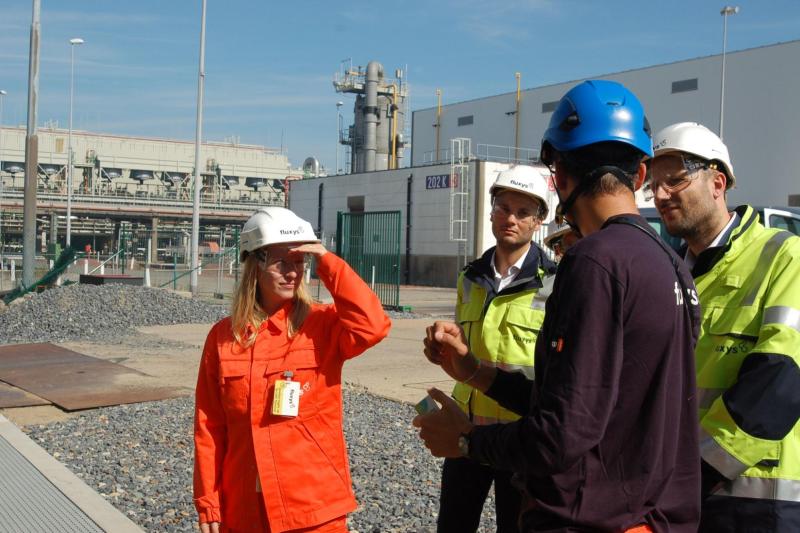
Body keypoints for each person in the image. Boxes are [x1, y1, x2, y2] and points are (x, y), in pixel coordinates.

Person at [414, 80, 702, 532]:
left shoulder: (595, 260)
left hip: (589, 518)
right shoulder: (673, 266)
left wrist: (467, 441)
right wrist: (476, 371)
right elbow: (587, 403)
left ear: (559, 177)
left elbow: (562, 434)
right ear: (641, 175)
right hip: (654, 515)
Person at [193, 206, 391, 533]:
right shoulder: (223, 338)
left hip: (312, 507)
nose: (292, 273)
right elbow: (209, 424)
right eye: (281, 262)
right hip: (244, 507)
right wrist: (208, 499)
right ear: (254, 264)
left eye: (299, 262)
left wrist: (326, 260)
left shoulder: (321, 326)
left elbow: (373, 325)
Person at [650, 122, 800, 532]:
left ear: (717, 181)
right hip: (682, 498)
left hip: (760, 502)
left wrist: (696, 472)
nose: (661, 195)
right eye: (655, 185)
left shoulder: (784, 256)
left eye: (676, 181)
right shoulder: (671, 273)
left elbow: (782, 381)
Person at [437, 165, 556, 533]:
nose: (511, 219)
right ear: (490, 212)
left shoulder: (555, 282)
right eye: (503, 208)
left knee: (515, 526)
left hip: (518, 439)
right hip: (467, 430)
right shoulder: (469, 277)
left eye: (523, 213)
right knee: (454, 525)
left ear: (538, 222)